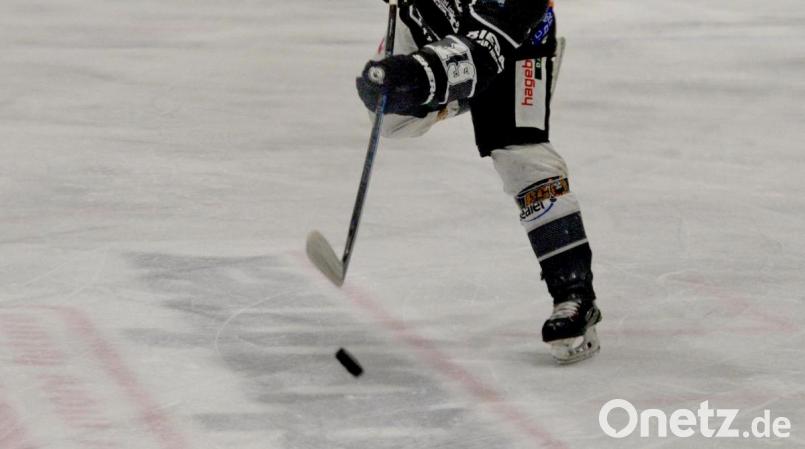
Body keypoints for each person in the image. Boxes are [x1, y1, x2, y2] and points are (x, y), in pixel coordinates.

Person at [355, 0, 601, 364]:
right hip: (435, 26)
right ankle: (468, 94)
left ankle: (575, 294)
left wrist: (415, 77)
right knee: (389, 114)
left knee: (520, 154)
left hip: (515, 46)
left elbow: (483, 52)